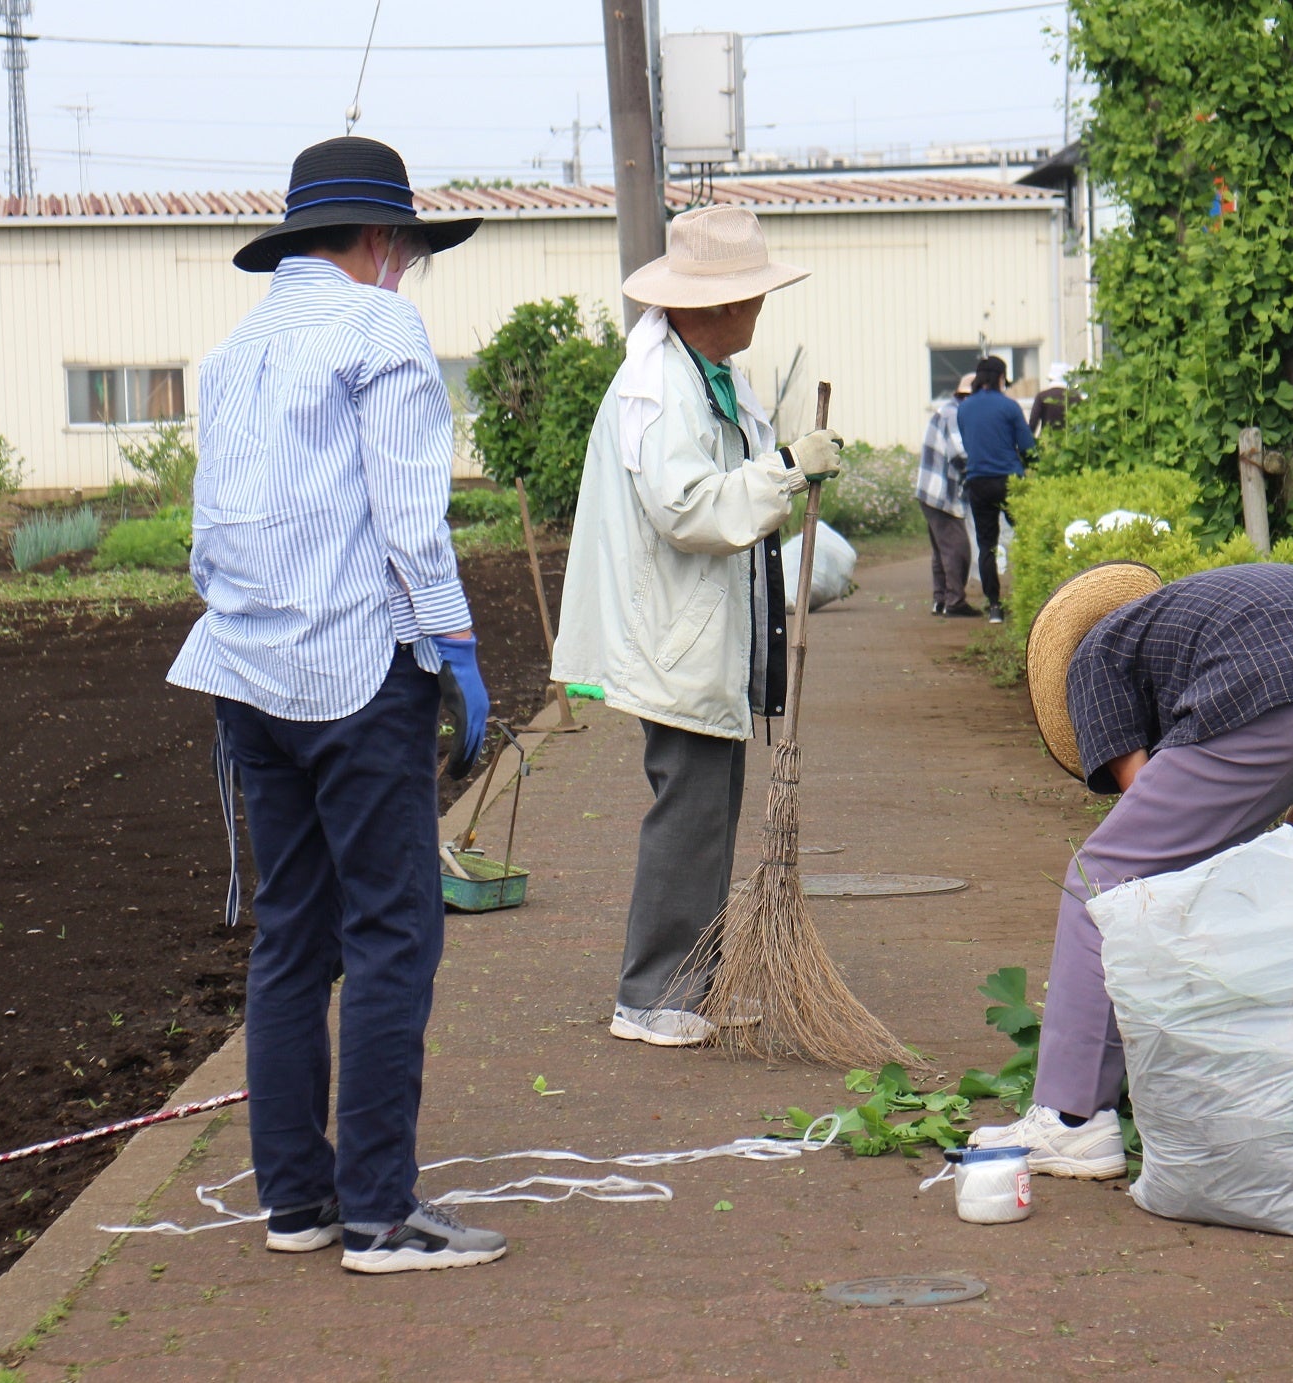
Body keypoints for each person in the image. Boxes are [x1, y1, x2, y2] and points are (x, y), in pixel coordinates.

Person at [167, 136, 509, 1274]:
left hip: (247, 676)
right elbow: (409, 519)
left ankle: (297, 1204)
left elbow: (211, 533)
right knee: (394, 934)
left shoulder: (238, 346)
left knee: (291, 935)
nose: (406, 269)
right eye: (406, 249)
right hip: (356, 674)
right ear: (377, 241)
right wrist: (456, 645)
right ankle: (377, 1214)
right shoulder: (379, 327)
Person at [969, 560, 1293, 1178]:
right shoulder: (1203, 617)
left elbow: (1149, 855)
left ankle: (1071, 1120)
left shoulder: (1091, 656)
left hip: (1270, 697)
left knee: (1099, 878)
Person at [550, 206, 842, 1048]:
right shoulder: (660, 386)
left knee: (712, 804)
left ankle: (695, 983)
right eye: (751, 295)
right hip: (671, 628)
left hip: (702, 625)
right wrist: (786, 470)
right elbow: (685, 509)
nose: (760, 310)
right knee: (687, 807)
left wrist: (780, 467)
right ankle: (651, 994)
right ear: (711, 305)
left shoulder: (706, 372)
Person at [953, 354, 1034, 624]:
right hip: (1009, 480)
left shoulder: (963, 408)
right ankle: (1030, 597)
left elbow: (967, 444)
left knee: (987, 545)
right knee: (1026, 537)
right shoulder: (1009, 407)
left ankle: (995, 606)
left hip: (978, 481)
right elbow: (1027, 446)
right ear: (1001, 377)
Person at [916, 372, 979, 618]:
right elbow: (959, 453)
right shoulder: (955, 414)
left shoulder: (948, 410)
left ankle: (940, 600)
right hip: (942, 493)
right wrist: (979, 472)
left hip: (931, 492)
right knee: (957, 549)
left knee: (942, 550)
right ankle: (954, 600)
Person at [1029, 362, 1072, 433]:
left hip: (1047, 440)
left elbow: (1033, 422)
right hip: (1070, 440)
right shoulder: (1075, 396)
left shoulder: (1042, 396)